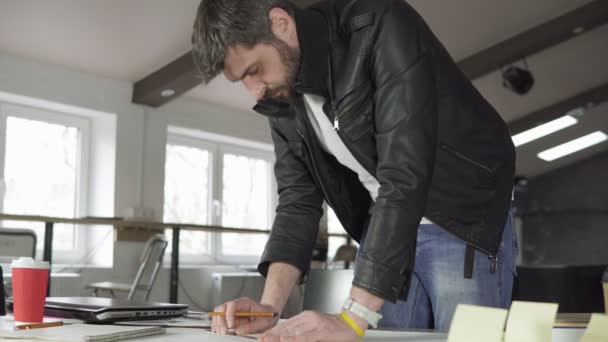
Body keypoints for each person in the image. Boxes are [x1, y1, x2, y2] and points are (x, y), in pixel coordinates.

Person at [191, 0, 517, 340]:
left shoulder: (380, 25)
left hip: (462, 215)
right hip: (387, 228)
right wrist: (270, 307)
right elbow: (298, 200)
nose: (255, 91)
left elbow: (403, 173)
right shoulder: (280, 96)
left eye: (254, 70)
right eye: (241, 80)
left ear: (280, 22)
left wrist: (352, 317)